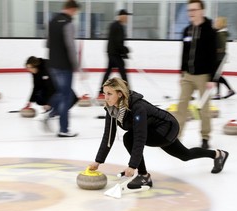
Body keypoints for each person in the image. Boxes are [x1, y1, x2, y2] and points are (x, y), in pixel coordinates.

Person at [89, 77, 229, 189]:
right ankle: (218, 154)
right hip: (154, 129)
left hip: (167, 128)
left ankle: (144, 176)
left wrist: (132, 166)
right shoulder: (111, 109)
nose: (105, 97)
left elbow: (139, 137)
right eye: (104, 93)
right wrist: (98, 161)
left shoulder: (137, 108)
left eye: (109, 94)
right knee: (185, 155)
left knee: (129, 138)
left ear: (119, 94)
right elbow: (108, 136)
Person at [176, 0, 217, 149]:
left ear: (202, 11)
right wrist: (181, 73)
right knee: (181, 106)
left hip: (204, 76)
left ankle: (205, 137)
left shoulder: (210, 32)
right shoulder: (186, 30)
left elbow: (214, 56)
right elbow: (184, 53)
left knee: (204, 109)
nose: (190, 13)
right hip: (187, 75)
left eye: (194, 10)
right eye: (189, 10)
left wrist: (213, 78)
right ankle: (177, 136)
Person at [46, 0, 80, 137]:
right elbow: (70, 47)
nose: (75, 14)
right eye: (75, 12)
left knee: (62, 92)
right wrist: (77, 66)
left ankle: (51, 112)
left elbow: (47, 43)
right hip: (64, 66)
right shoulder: (68, 24)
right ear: (71, 9)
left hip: (52, 64)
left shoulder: (52, 21)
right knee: (66, 96)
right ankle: (63, 129)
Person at [97, 9, 132, 100]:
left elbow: (118, 42)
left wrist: (123, 52)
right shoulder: (117, 26)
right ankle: (128, 92)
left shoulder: (116, 25)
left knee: (108, 72)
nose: (127, 18)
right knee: (123, 72)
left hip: (113, 53)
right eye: (126, 16)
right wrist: (125, 51)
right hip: (114, 54)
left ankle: (101, 91)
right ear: (121, 16)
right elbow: (117, 42)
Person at [212, 16, 236, 100]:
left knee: (216, 75)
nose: (215, 23)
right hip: (219, 57)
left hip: (219, 57)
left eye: (216, 22)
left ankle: (219, 93)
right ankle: (228, 90)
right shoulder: (220, 33)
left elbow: (221, 47)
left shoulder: (221, 34)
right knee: (216, 75)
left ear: (220, 23)